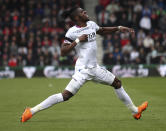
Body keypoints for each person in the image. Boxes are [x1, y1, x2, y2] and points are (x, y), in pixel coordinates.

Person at [21, 7, 148, 122]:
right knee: (65, 95)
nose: (85, 12)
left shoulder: (92, 24)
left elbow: (102, 31)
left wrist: (119, 28)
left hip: (95, 68)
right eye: (83, 12)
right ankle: (31, 111)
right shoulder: (71, 32)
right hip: (83, 70)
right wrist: (77, 40)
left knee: (117, 83)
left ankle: (135, 111)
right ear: (77, 17)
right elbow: (63, 52)